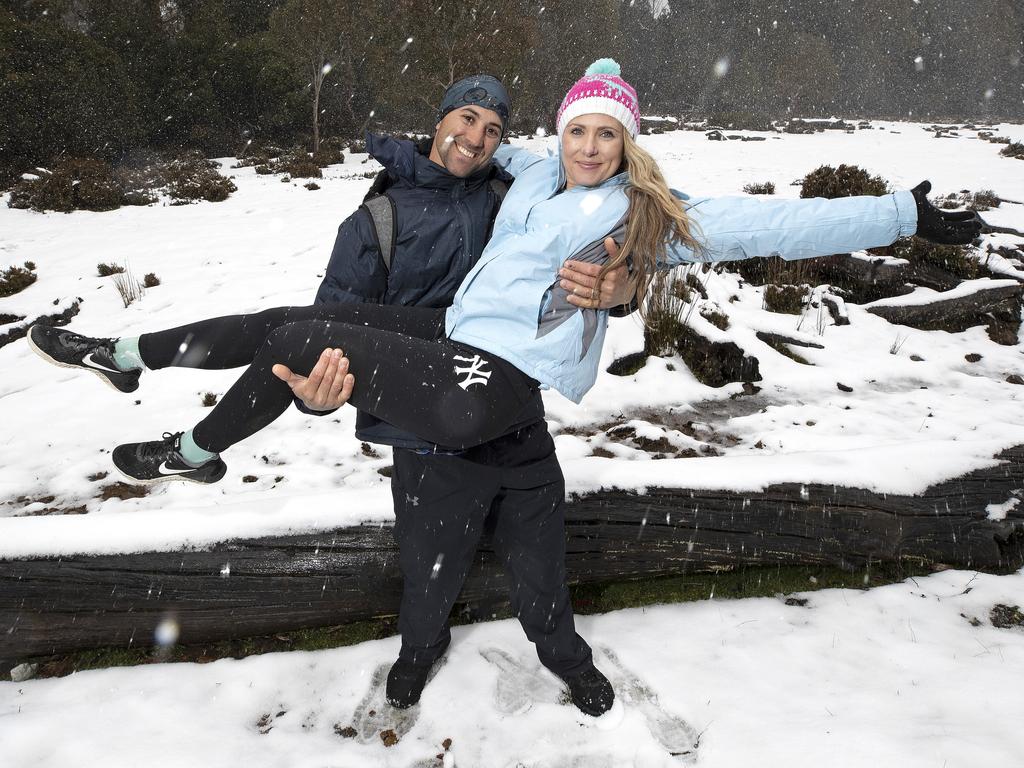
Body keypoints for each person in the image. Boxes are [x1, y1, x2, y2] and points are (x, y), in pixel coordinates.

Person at [27, 59, 982, 714]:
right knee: (285, 324)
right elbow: (462, 151)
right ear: (558, 134)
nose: (590, 148)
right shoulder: (530, 175)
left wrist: (902, 211)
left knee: (328, 354)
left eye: (609, 134)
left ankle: (199, 452)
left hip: (500, 382)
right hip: (448, 342)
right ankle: (127, 356)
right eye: (579, 130)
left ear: (630, 143)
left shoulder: (645, 214)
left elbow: (773, 224)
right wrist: (399, 147)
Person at [293, 74, 633, 716]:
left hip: (513, 416)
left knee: (542, 558)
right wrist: (319, 394)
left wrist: (623, 289)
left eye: (493, 129)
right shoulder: (377, 221)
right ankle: (419, 651)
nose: (475, 138)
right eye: (466, 118)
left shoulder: (517, 198)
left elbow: (603, 243)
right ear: (440, 116)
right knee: (429, 567)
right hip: (427, 431)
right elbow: (330, 332)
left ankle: (564, 656)